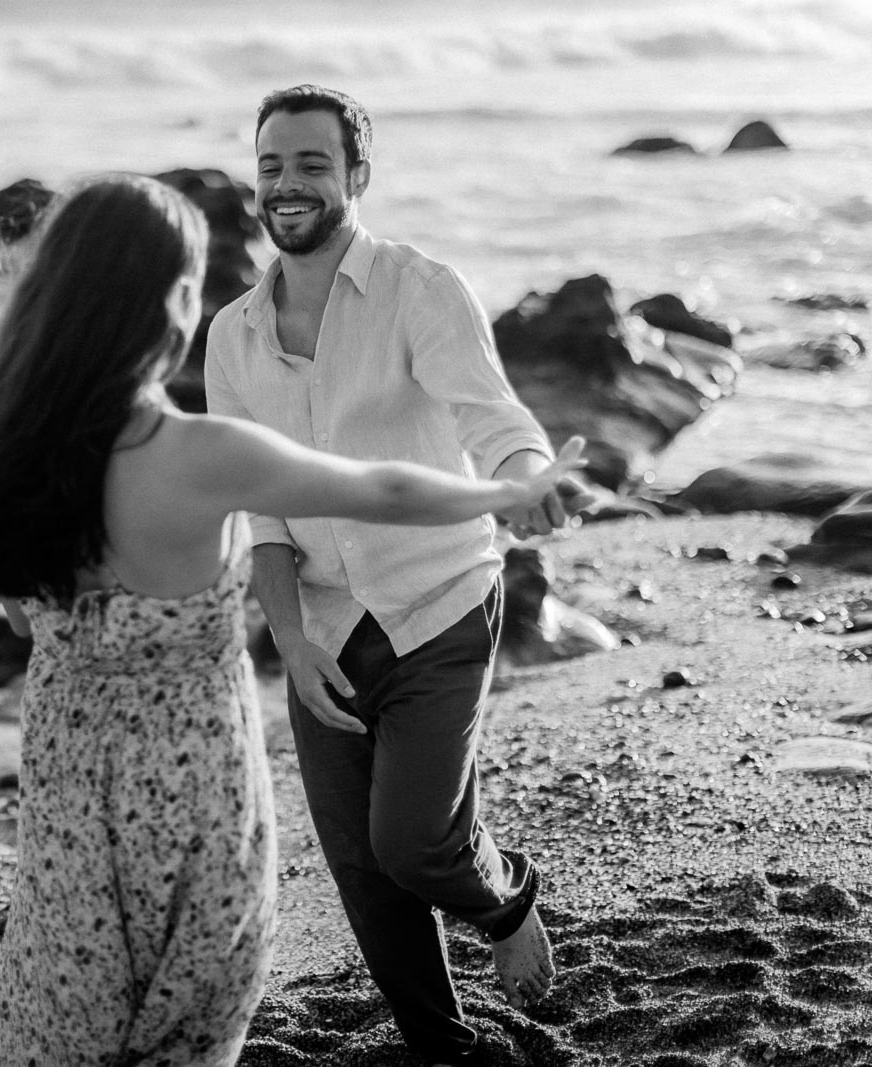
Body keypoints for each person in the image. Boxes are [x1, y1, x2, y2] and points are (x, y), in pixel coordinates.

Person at [0, 173, 584, 1067]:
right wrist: (509, 491)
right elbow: (380, 487)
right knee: (186, 1022)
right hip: (193, 798)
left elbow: (14, 611)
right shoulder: (195, 455)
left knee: (63, 1004)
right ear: (167, 300)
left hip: (69, 789)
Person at [204, 84, 578, 1067]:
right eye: (271, 165)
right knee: (365, 869)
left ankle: (507, 900)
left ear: (357, 177)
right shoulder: (232, 337)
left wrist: (525, 479)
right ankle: (439, 1044)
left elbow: (485, 412)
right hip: (320, 623)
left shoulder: (419, 287)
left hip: (439, 595)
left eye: (311, 165)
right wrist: (289, 640)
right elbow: (263, 510)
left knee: (415, 841)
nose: (286, 185)